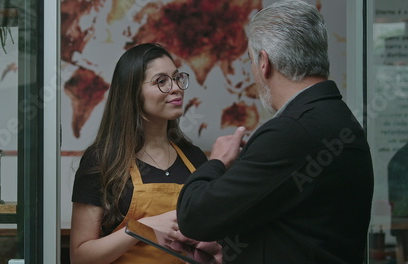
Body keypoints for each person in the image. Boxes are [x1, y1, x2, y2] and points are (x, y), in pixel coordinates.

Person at [176, 1, 374, 263]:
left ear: (264, 62)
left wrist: (217, 160)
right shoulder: (340, 120)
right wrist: (233, 249)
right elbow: (303, 227)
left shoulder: (292, 132)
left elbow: (194, 217)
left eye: (250, 60)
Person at [70, 43, 219, 263]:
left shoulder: (194, 158)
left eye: (177, 78)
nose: (176, 88)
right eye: (161, 81)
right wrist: (143, 227)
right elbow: (80, 257)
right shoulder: (102, 160)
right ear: (132, 93)